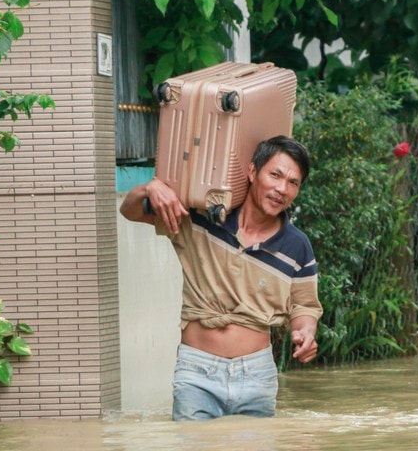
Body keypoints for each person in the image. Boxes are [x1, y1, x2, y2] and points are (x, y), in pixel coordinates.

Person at [119, 135, 323, 421]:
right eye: (275, 175)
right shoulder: (200, 217)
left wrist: (305, 332)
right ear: (253, 172)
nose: (282, 189)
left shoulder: (297, 245)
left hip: (257, 374)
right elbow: (128, 210)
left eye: (293, 183)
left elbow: (304, 306)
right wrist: (151, 189)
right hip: (196, 371)